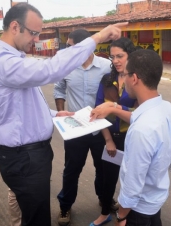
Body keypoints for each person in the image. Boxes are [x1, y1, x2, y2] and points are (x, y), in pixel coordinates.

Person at [0, 2, 126, 225]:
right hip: (25, 157)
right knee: (37, 218)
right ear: (15, 26)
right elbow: (49, 70)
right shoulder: (2, 61)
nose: (36, 39)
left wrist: (51, 115)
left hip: (31, 155)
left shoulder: (14, 59)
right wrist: (97, 38)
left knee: (38, 214)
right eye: (34, 33)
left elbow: (19, 106)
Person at [90, 49, 171, 226]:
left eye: (126, 74)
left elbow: (133, 180)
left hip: (138, 210)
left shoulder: (141, 130)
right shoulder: (165, 108)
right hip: (155, 197)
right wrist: (114, 108)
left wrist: (121, 217)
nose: (124, 78)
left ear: (135, 78)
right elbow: (137, 116)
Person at [53, 28, 111, 226]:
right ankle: (65, 206)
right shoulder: (66, 67)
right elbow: (59, 90)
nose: (68, 50)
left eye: (71, 46)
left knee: (103, 169)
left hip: (100, 130)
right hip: (76, 130)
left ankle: (105, 200)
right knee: (71, 170)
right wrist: (61, 116)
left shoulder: (106, 66)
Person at [90, 37, 137, 226]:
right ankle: (105, 213)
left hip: (131, 138)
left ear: (130, 56)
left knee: (130, 178)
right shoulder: (107, 80)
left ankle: (126, 215)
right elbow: (98, 110)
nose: (116, 60)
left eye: (120, 56)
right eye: (113, 57)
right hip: (110, 137)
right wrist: (108, 140)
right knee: (107, 178)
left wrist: (116, 108)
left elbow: (142, 113)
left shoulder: (137, 80)